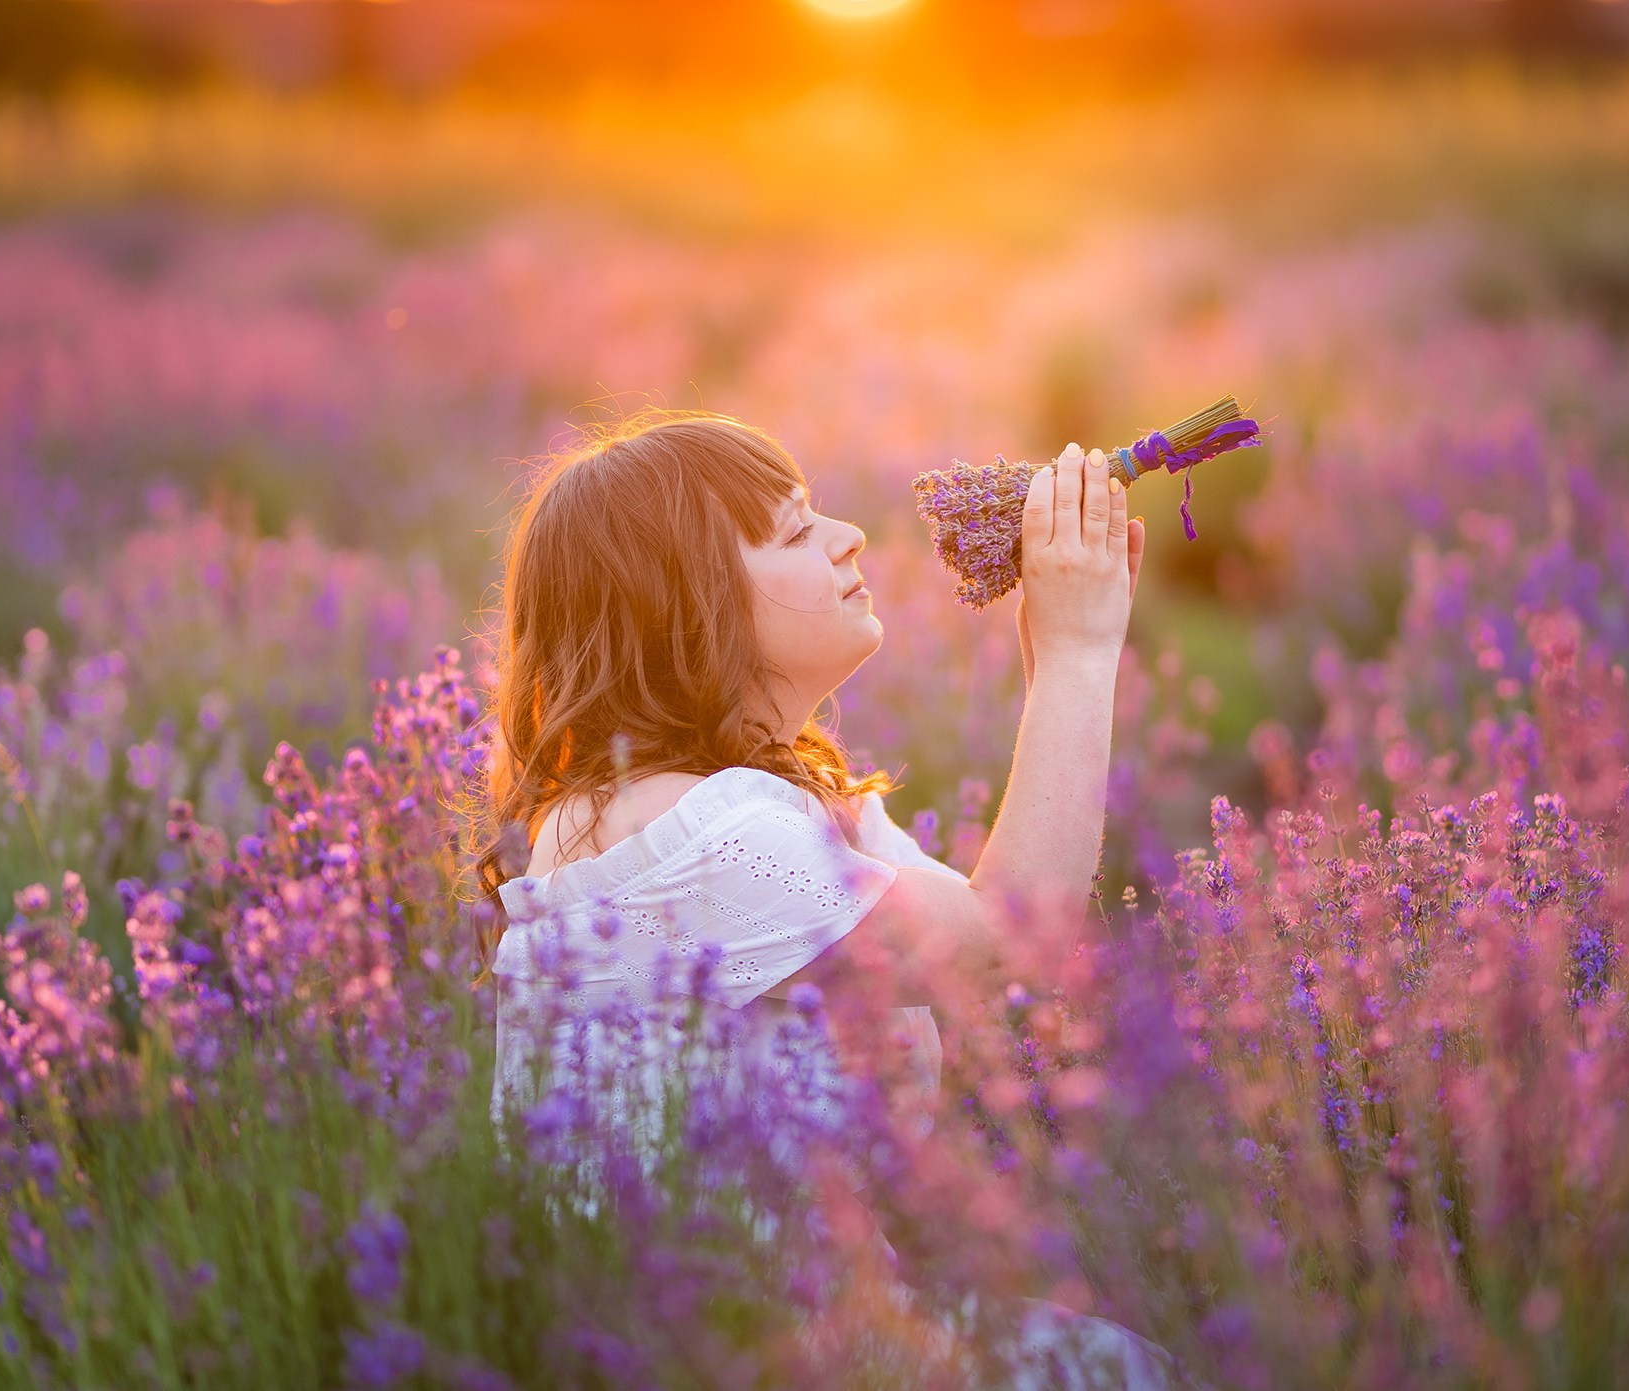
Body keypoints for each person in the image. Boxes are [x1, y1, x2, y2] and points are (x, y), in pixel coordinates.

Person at [474, 408, 1175, 1387]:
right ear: (687, 602)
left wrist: (1050, 644)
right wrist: (1078, 652)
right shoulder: (690, 833)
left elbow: (993, 925)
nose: (848, 537)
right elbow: (1019, 935)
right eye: (797, 532)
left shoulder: (783, 803)